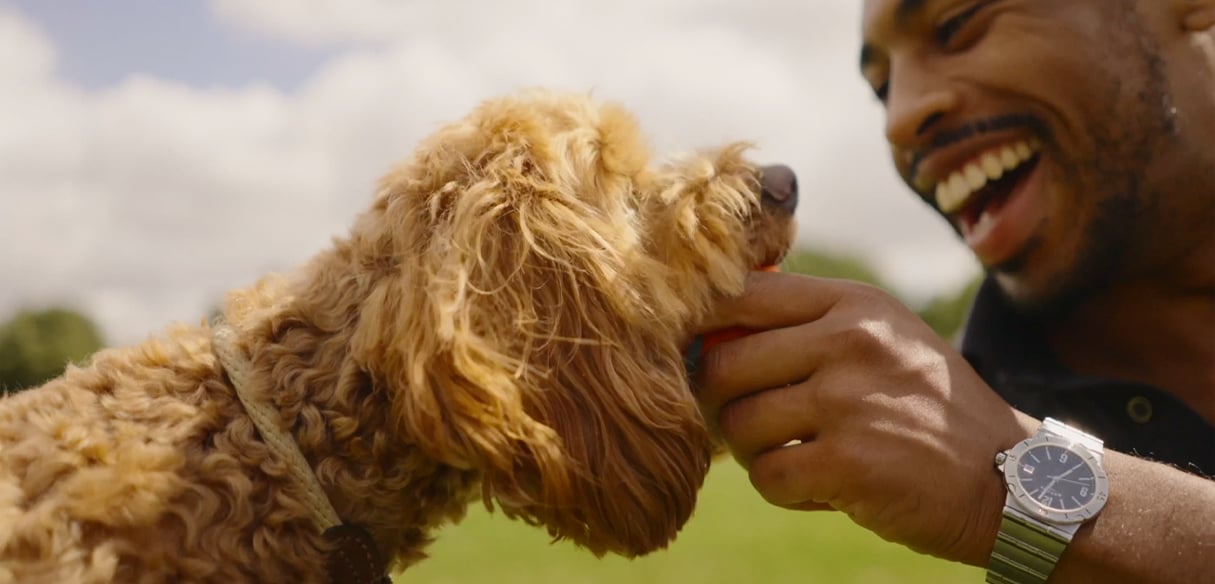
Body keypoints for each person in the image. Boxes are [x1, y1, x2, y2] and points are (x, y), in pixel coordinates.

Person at [693, 0, 1215, 581]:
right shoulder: (980, 396)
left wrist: (1013, 483)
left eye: (957, 25)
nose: (897, 120)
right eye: (882, 88)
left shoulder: (985, 440)